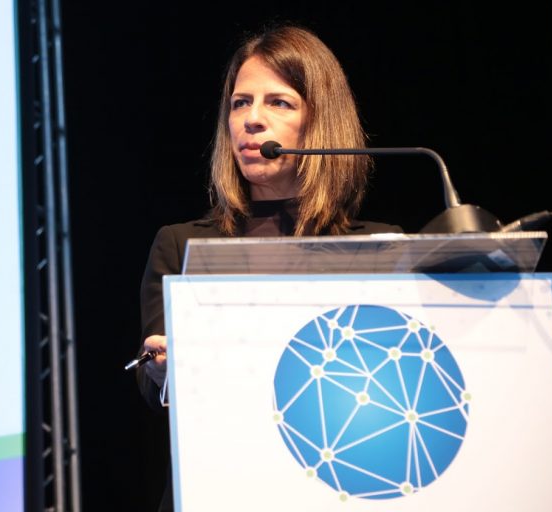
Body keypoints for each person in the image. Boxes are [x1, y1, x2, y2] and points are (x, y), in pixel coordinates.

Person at [135, 23, 403, 511]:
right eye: (240, 103)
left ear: (321, 121)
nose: (251, 120)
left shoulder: (379, 250)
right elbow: (155, 390)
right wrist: (162, 370)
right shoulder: (183, 244)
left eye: (278, 102)